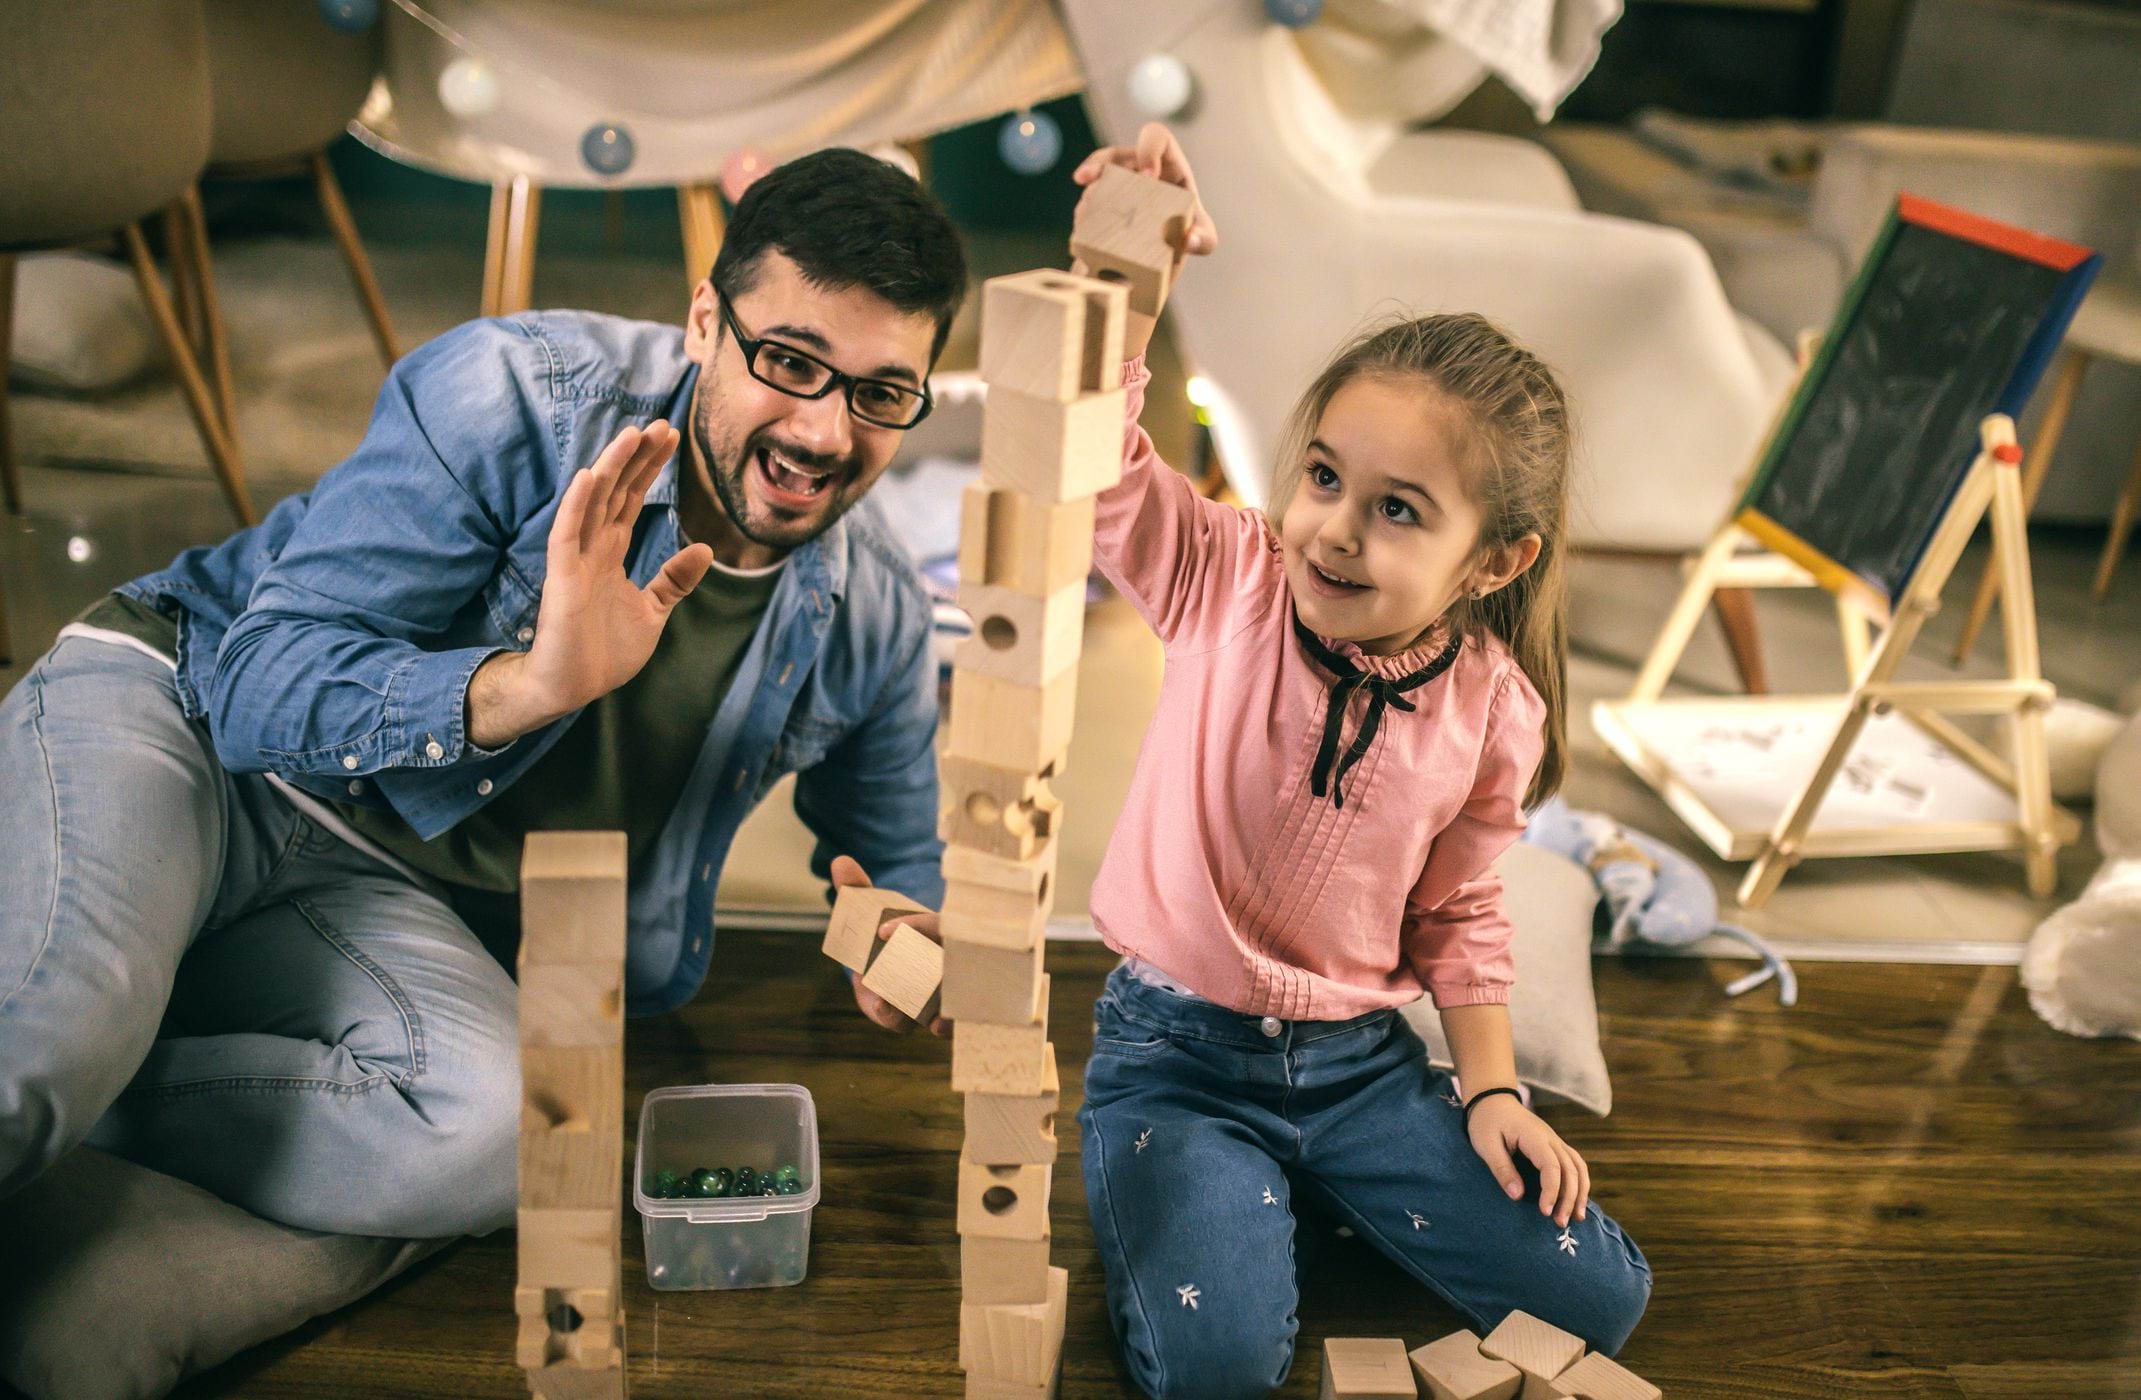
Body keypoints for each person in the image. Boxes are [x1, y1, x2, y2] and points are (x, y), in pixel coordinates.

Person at [0, 147, 964, 1241]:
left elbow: (892, 860)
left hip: (380, 892)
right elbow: (255, 689)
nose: (825, 432)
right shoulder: (516, 393)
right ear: (705, 322)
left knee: (513, 1136)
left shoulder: (875, 608)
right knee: (44, 1055)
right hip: (182, 725)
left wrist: (905, 932)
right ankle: (90, 1044)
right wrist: (530, 684)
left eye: (882, 392)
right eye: (789, 360)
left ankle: (109, 1083)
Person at [1068, 126, 1651, 1399]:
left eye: (1398, 509)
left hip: (1358, 1068)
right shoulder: (1224, 575)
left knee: (1602, 1296)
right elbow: (1093, 464)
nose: (1333, 527)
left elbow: (1457, 908)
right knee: (1217, 1368)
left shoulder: (1493, 710)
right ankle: (1209, 1184)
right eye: (1324, 476)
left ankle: (1302, 1184)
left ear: (1494, 563)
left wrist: (1490, 1091)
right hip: (1175, 1051)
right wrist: (1122, 288)